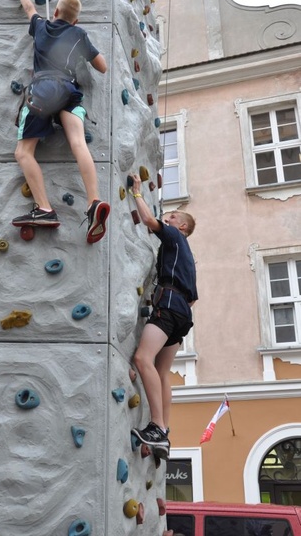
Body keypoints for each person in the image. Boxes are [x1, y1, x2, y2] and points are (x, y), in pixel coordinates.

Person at [8, 0, 110, 244]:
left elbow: (29, 9)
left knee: (23, 152)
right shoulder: (79, 34)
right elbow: (102, 67)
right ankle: (93, 201)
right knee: (78, 143)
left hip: (43, 91)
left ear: (55, 13)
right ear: (75, 21)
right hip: (69, 91)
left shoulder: (41, 26)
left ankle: (44, 209)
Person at [129, 173, 198, 459]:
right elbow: (193, 299)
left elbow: (148, 221)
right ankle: (164, 432)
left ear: (181, 226)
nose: (165, 218)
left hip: (168, 306)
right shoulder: (189, 258)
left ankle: (157, 426)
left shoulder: (174, 238)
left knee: (142, 358)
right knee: (161, 371)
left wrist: (136, 194)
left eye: (170, 216)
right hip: (183, 315)